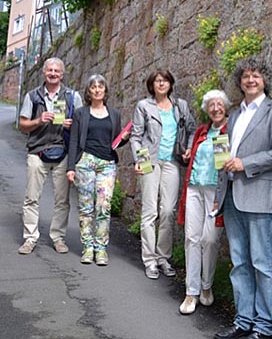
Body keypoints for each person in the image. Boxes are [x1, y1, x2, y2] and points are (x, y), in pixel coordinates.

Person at [213, 58, 272, 339]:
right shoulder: (234, 116)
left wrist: (245, 163)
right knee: (239, 264)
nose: (250, 80)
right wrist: (218, 195)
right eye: (246, 76)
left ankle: (264, 327)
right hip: (233, 197)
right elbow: (224, 159)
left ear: (264, 80)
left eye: (256, 76)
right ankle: (243, 321)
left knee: (262, 264)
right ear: (240, 82)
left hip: (261, 195)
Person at [130, 69, 196, 279]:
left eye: (165, 80)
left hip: (172, 160)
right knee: (150, 211)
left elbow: (193, 129)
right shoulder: (144, 106)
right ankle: (149, 259)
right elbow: (136, 136)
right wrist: (139, 160)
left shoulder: (180, 106)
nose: (161, 84)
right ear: (152, 85)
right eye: (157, 81)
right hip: (149, 160)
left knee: (168, 210)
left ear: (170, 83)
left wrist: (189, 148)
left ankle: (163, 257)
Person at [18, 57, 83, 255]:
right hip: (37, 151)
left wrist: (71, 125)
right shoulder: (33, 96)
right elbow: (22, 125)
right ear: (44, 73)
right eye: (50, 70)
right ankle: (30, 238)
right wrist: (39, 120)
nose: (53, 73)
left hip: (62, 152)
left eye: (56, 71)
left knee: (62, 200)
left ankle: (58, 237)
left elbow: (82, 125)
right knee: (31, 198)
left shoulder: (73, 97)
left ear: (62, 74)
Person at [177, 90, 231, 315]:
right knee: (192, 238)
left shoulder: (230, 129)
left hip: (215, 191)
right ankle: (192, 291)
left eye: (219, 104)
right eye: (211, 105)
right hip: (194, 188)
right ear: (207, 110)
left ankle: (206, 285)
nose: (215, 108)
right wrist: (189, 154)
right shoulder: (202, 130)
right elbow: (192, 153)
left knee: (210, 239)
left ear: (225, 107)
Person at [66, 74, 129, 266]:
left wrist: (125, 137)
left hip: (107, 163)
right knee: (86, 207)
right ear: (88, 91)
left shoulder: (114, 114)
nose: (97, 90)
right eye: (93, 87)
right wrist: (71, 167)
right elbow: (75, 140)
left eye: (100, 86)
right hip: (85, 162)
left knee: (104, 206)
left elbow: (116, 142)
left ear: (105, 90)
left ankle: (101, 249)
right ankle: (87, 247)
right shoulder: (80, 113)